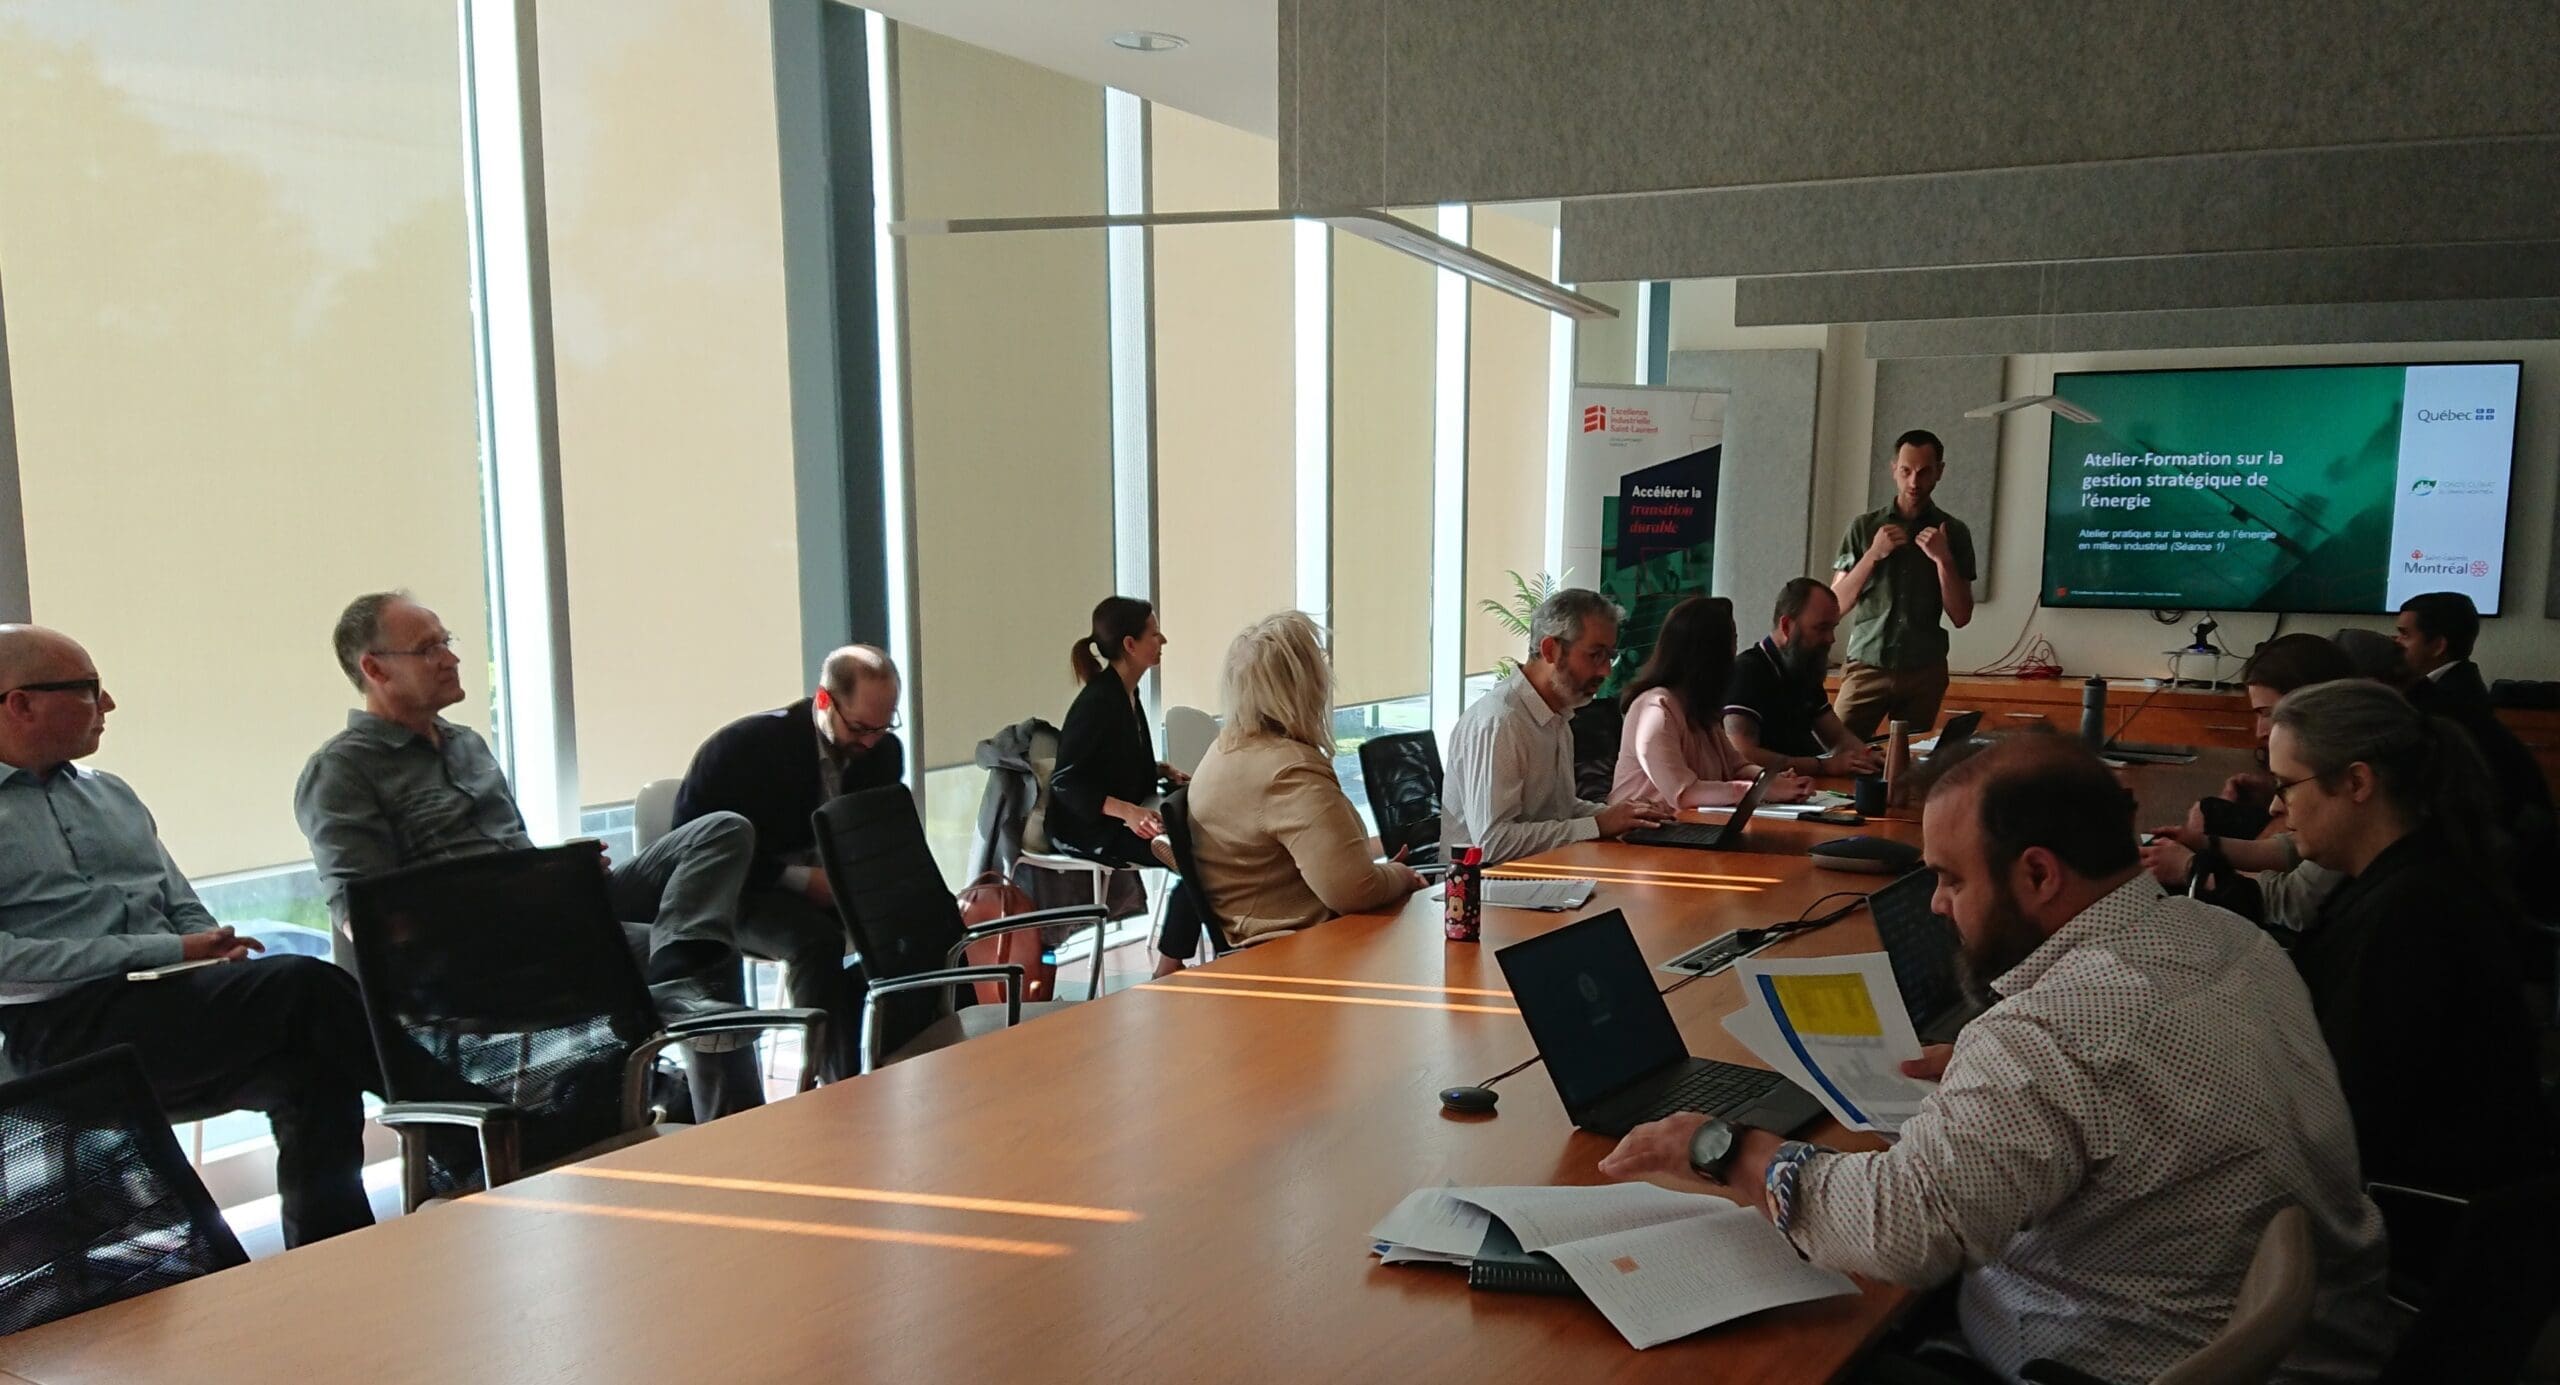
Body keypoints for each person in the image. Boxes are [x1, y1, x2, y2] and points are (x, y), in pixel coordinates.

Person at [1598, 737, 2398, 1381]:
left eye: (1949, 878)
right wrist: (1991, 1078)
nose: (1938, 905)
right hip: (2305, 1342)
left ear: (2039, 873)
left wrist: (1724, 1146)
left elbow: (1903, 1233)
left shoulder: (2052, 1033)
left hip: (2104, 1360)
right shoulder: (2228, 939)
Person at [0, 624, 465, 1246]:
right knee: (303, 985)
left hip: (163, 1008)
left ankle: (333, 1255)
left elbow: (178, 901)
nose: (107, 705)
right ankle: (476, 1138)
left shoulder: (110, 794)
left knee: (311, 1070)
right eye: (88, 689)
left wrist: (207, 947)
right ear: (20, 703)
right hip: (64, 1032)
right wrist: (172, 951)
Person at [294, 592, 763, 1121]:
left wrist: (556, 871)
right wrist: (516, 889)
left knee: (720, 834)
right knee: (701, 958)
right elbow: (366, 919)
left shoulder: (467, 743)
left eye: (447, 641)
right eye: (428, 649)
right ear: (375, 668)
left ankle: (677, 987)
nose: (450, 658)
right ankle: (734, 1124)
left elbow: (508, 847)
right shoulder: (340, 772)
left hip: (546, 908)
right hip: (478, 953)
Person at [2265, 679, 2551, 1194]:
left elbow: (2350, 1117)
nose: (2275, 807)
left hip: (2416, 1219)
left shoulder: (2412, 914)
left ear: (2357, 783)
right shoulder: (2411, 874)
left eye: (2286, 785)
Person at [673, 645, 903, 1082]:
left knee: (922, 917)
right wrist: (799, 880)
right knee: (814, 941)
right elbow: (697, 852)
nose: (871, 741)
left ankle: (909, 1057)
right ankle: (834, 1081)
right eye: (859, 727)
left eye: (883, 726)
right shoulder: (746, 750)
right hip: (738, 890)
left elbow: (876, 836)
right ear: (823, 701)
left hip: (827, 884)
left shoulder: (882, 753)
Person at [1170, 613, 1426, 976]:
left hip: (1270, 952)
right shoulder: (1287, 771)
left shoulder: (1225, 751)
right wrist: (1400, 875)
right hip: (1304, 956)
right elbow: (1352, 890)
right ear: (1304, 685)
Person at [1443, 589, 1674, 866]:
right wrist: (1599, 824)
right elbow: (1492, 843)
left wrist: (1625, 814)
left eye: (1609, 656)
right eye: (1595, 655)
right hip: (1482, 893)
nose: (1606, 671)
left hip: (1542, 876)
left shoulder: (1557, 714)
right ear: (1550, 650)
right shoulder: (1501, 721)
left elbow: (1558, 810)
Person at [2140, 633, 2353, 928]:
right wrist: (2202, 844)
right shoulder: (2338, 772)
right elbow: (2289, 848)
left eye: (2268, 713)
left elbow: (2293, 903)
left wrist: (2192, 868)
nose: (2260, 731)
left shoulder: (2343, 786)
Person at [1830, 429, 1976, 739]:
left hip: (1924, 670)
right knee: (1834, 750)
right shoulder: (1864, 527)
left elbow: (1961, 616)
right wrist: (1872, 556)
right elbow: (1836, 606)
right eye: (1906, 471)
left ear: (1939, 472)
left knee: (1911, 764)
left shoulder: (1954, 532)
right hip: (1867, 664)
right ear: (1894, 468)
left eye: (1924, 472)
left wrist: (1944, 560)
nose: (1914, 482)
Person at [1614, 596, 1812, 808]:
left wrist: (1773, 780)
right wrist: (1765, 790)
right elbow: (1684, 794)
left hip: (1686, 829)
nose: (1735, 656)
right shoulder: (1655, 709)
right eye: (1732, 642)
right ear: (1710, 654)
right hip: (1638, 836)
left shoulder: (1699, 708)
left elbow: (1736, 767)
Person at [1048, 596, 1186, 869]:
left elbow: (1111, 764)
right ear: (1130, 645)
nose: (1163, 640)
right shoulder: (1097, 702)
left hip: (1122, 817)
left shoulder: (1126, 692)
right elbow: (1065, 782)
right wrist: (1128, 812)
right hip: (1090, 830)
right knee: (1193, 854)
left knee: (1201, 840)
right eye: (1154, 634)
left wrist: (1161, 770)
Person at [2395, 590, 2552, 828]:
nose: (2395, 645)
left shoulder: (2442, 705)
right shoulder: (2460, 689)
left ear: (2438, 646)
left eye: (2405, 635)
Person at [1722, 578, 1881, 778]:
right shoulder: (1747, 673)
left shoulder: (1802, 667)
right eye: (1821, 628)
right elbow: (1742, 753)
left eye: (1833, 627)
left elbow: (1838, 738)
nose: (1831, 638)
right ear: (1787, 626)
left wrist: (1869, 756)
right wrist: (1822, 766)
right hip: (1768, 796)